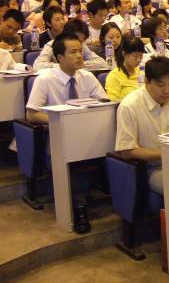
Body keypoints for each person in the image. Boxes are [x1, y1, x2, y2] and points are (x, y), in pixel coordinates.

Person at [26, 32, 108, 233]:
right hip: (57, 135)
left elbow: (104, 104)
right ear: (59, 57)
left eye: (80, 51)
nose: (79, 56)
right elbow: (32, 114)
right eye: (73, 52)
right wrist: (62, 121)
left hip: (87, 132)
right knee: (68, 159)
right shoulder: (45, 79)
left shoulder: (87, 77)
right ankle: (79, 209)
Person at [115, 57, 169, 195]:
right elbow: (127, 150)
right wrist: (165, 154)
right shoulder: (130, 106)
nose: (167, 91)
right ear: (146, 82)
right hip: (153, 169)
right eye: (160, 85)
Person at [34, 19, 108, 71]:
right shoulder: (51, 45)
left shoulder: (82, 45)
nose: (78, 44)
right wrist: (64, 66)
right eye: (76, 39)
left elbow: (102, 63)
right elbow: (38, 66)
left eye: (81, 41)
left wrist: (79, 64)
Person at [105, 36, 145, 101]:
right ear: (124, 54)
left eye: (141, 55)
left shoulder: (142, 72)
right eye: (135, 56)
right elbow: (113, 101)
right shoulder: (114, 76)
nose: (138, 59)